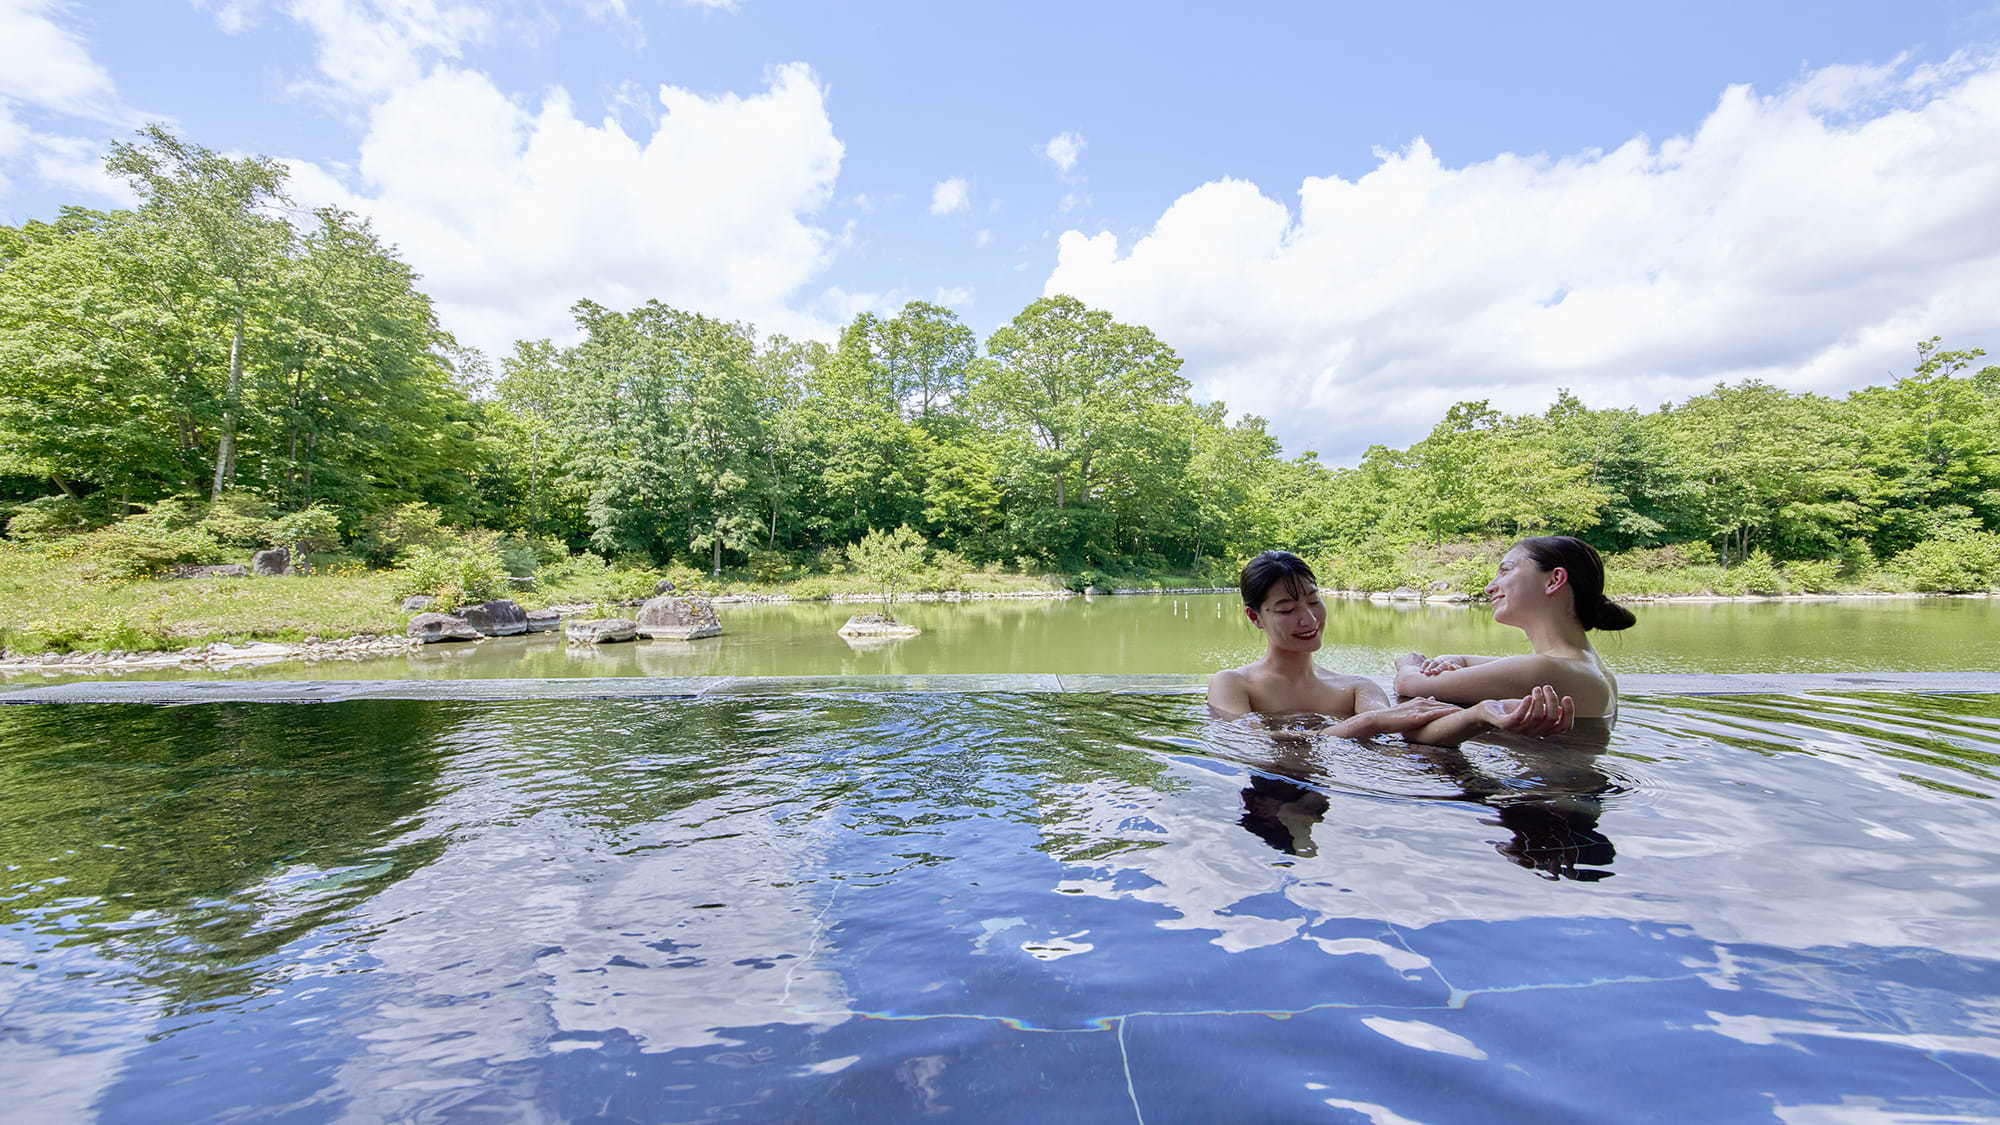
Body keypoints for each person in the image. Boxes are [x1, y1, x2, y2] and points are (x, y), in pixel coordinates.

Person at [1209, 550, 1572, 744]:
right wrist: (1369, 721)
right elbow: (1251, 744)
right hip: (1265, 790)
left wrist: (1483, 715)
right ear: (1255, 617)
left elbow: (1410, 732)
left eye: (1314, 601)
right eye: (1286, 610)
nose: (1308, 619)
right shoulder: (1233, 684)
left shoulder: (1354, 687)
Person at [1394, 535, 1635, 720]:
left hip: (1534, 787)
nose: (1490, 587)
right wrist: (1449, 660)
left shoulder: (1546, 669)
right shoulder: (1586, 666)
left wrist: (1408, 663)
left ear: (1553, 580)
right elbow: (1469, 662)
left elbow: (1411, 685)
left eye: (1505, 570)